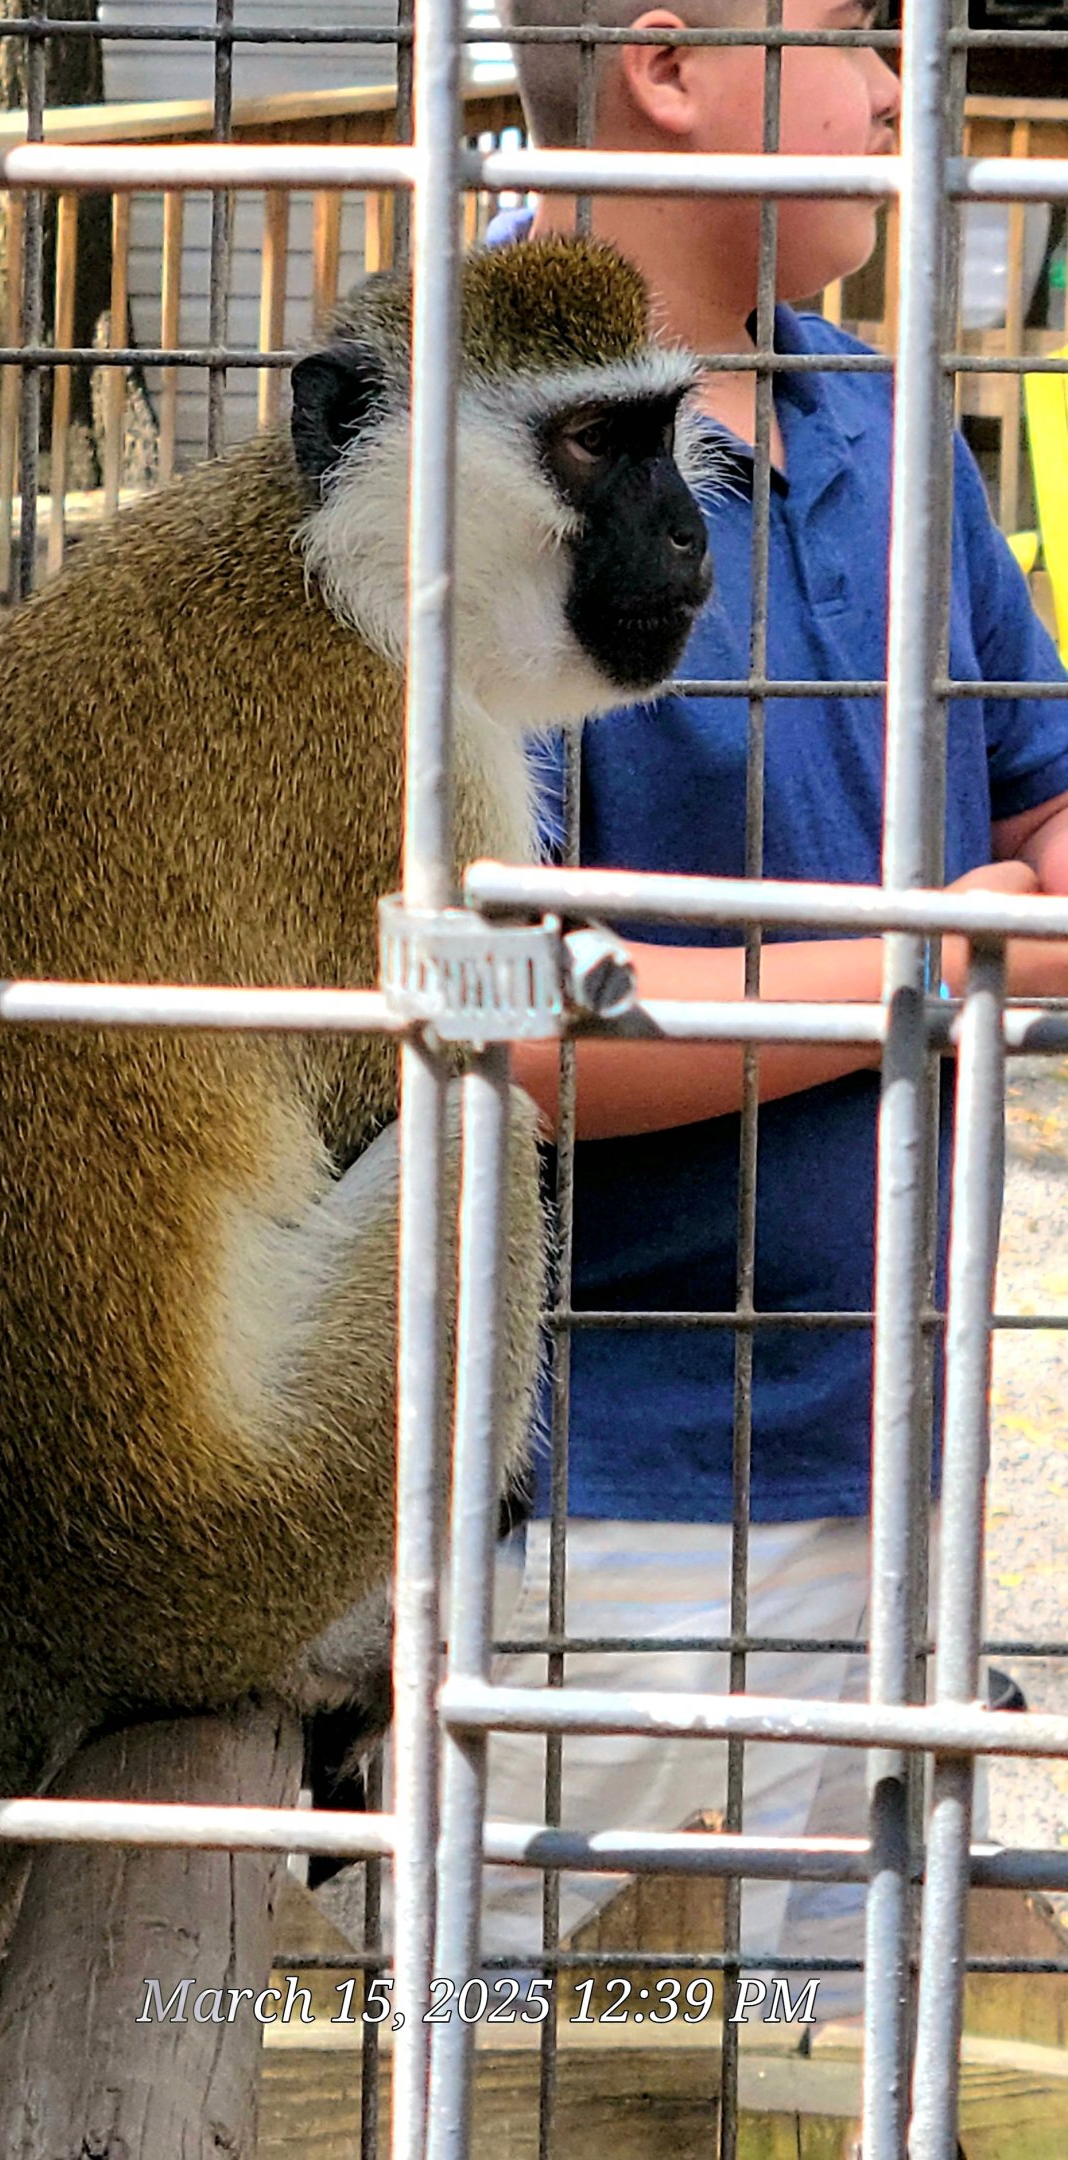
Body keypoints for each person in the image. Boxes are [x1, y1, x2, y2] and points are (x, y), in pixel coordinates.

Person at [480, 0, 1068, 2017]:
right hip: (575, 1516)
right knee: (570, 2081)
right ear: (664, 61)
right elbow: (500, 1032)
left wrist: (1016, 891)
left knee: (837, 2079)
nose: (912, 78)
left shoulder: (882, 431)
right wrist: (943, 955)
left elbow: (1037, 793)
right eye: (853, 29)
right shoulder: (474, 452)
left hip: (881, 1464)